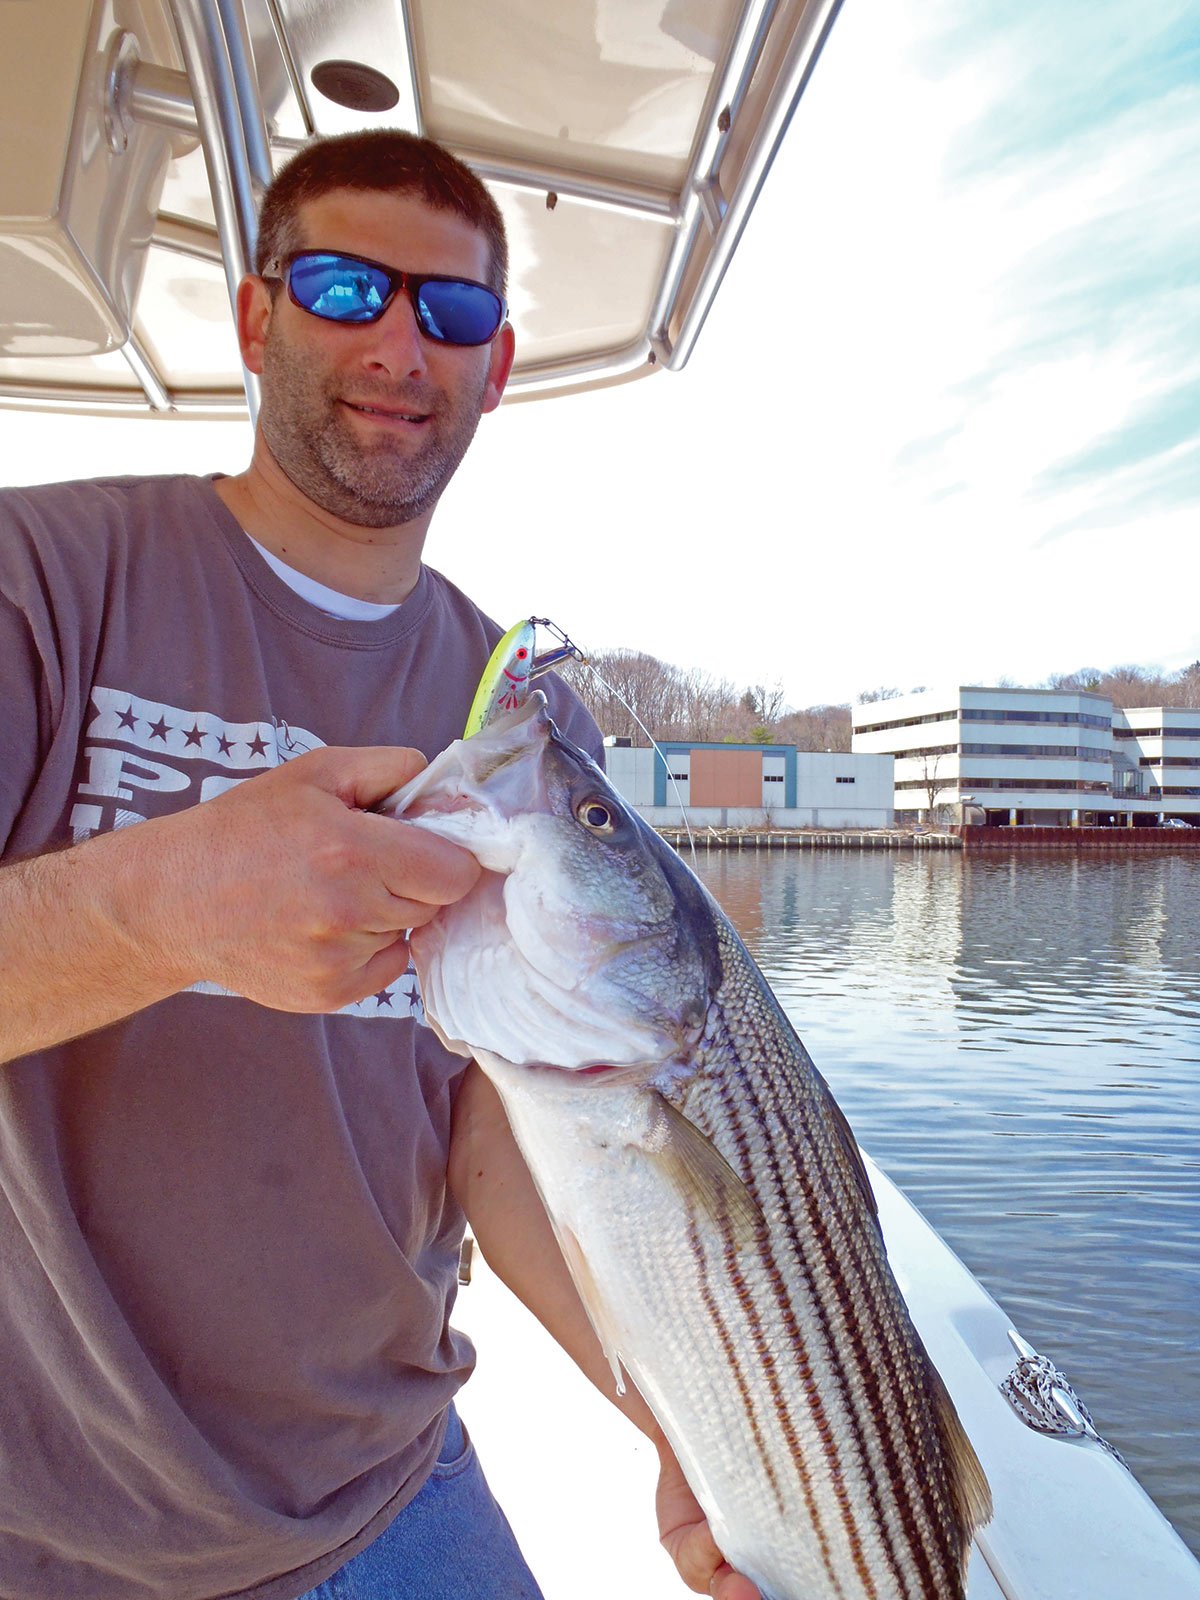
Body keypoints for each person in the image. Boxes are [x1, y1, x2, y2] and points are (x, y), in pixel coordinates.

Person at [0, 132, 759, 1600]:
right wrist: (166, 905)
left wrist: (679, 1412)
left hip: (391, 1490)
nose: (402, 342)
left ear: (497, 360)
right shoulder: (45, 576)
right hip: (45, 1528)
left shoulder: (515, 720)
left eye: (451, 312)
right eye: (348, 287)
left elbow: (492, 1107)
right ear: (255, 318)